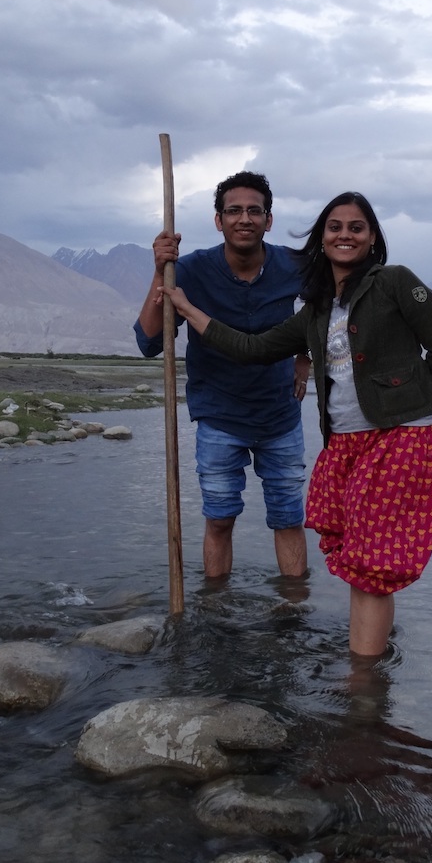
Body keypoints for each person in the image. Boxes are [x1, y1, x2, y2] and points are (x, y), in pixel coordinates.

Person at [160, 191, 432, 657]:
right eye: (335, 227)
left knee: (373, 561)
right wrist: (186, 308)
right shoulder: (318, 312)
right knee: (360, 553)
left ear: (372, 238)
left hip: (401, 439)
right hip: (345, 442)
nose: (345, 235)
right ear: (321, 240)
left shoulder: (396, 283)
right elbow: (251, 347)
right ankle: (366, 669)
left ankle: (363, 683)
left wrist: (407, 409)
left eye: (357, 227)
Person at [134, 171, 311, 581]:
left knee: (288, 518)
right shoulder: (191, 271)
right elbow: (148, 342)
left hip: (279, 415)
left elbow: (321, 308)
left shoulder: (293, 265)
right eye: (233, 211)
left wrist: (304, 357)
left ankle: (292, 617)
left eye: (254, 211)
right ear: (219, 220)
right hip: (219, 416)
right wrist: (161, 270)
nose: (244, 219)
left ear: (269, 220)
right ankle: (215, 614)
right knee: (219, 519)